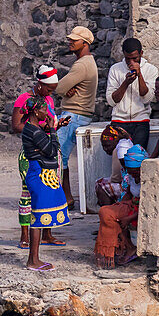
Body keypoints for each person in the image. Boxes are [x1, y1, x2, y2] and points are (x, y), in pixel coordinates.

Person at [12, 67, 64, 249]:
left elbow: (48, 124)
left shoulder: (47, 100)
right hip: (33, 150)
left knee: (48, 191)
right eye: (49, 89)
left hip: (47, 149)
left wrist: (55, 126)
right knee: (29, 193)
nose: (51, 93)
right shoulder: (24, 100)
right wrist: (40, 130)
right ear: (40, 85)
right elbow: (16, 125)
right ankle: (25, 236)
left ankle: (47, 234)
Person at [21, 96, 71, 272]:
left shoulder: (32, 128)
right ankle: (32, 260)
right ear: (35, 111)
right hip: (39, 174)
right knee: (38, 217)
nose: (47, 113)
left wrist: (50, 131)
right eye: (44, 109)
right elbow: (52, 150)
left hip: (39, 172)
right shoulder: (35, 131)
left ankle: (34, 258)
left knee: (40, 217)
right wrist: (52, 130)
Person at [54, 26, 99, 209]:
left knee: (59, 157)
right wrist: (66, 90)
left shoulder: (81, 65)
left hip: (73, 115)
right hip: (80, 114)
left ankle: (66, 197)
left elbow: (57, 87)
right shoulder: (87, 62)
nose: (70, 42)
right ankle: (67, 196)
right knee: (61, 157)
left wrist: (64, 91)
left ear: (85, 43)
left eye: (75, 40)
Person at [95, 145, 147, 268]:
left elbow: (147, 206)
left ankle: (124, 248)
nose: (132, 174)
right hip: (132, 204)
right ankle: (126, 246)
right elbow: (128, 194)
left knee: (110, 215)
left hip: (142, 208)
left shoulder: (149, 178)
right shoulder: (131, 177)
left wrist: (129, 218)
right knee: (105, 212)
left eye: (134, 171)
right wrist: (117, 207)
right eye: (129, 171)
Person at [106, 37, 158, 149]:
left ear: (141, 53)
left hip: (141, 121)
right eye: (127, 59)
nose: (131, 62)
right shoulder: (115, 69)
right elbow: (111, 101)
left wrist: (140, 76)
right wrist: (126, 83)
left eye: (135, 58)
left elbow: (147, 99)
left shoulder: (151, 70)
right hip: (118, 121)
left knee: (137, 158)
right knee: (119, 159)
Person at [95, 123, 136, 207]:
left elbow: (116, 178)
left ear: (115, 141)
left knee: (100, 184)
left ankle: (108, 208)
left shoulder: (118, 150)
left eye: (108, 145)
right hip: (132, 184)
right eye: (104, 146)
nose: (106, 149)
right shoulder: (127, 143)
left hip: (129, 186)